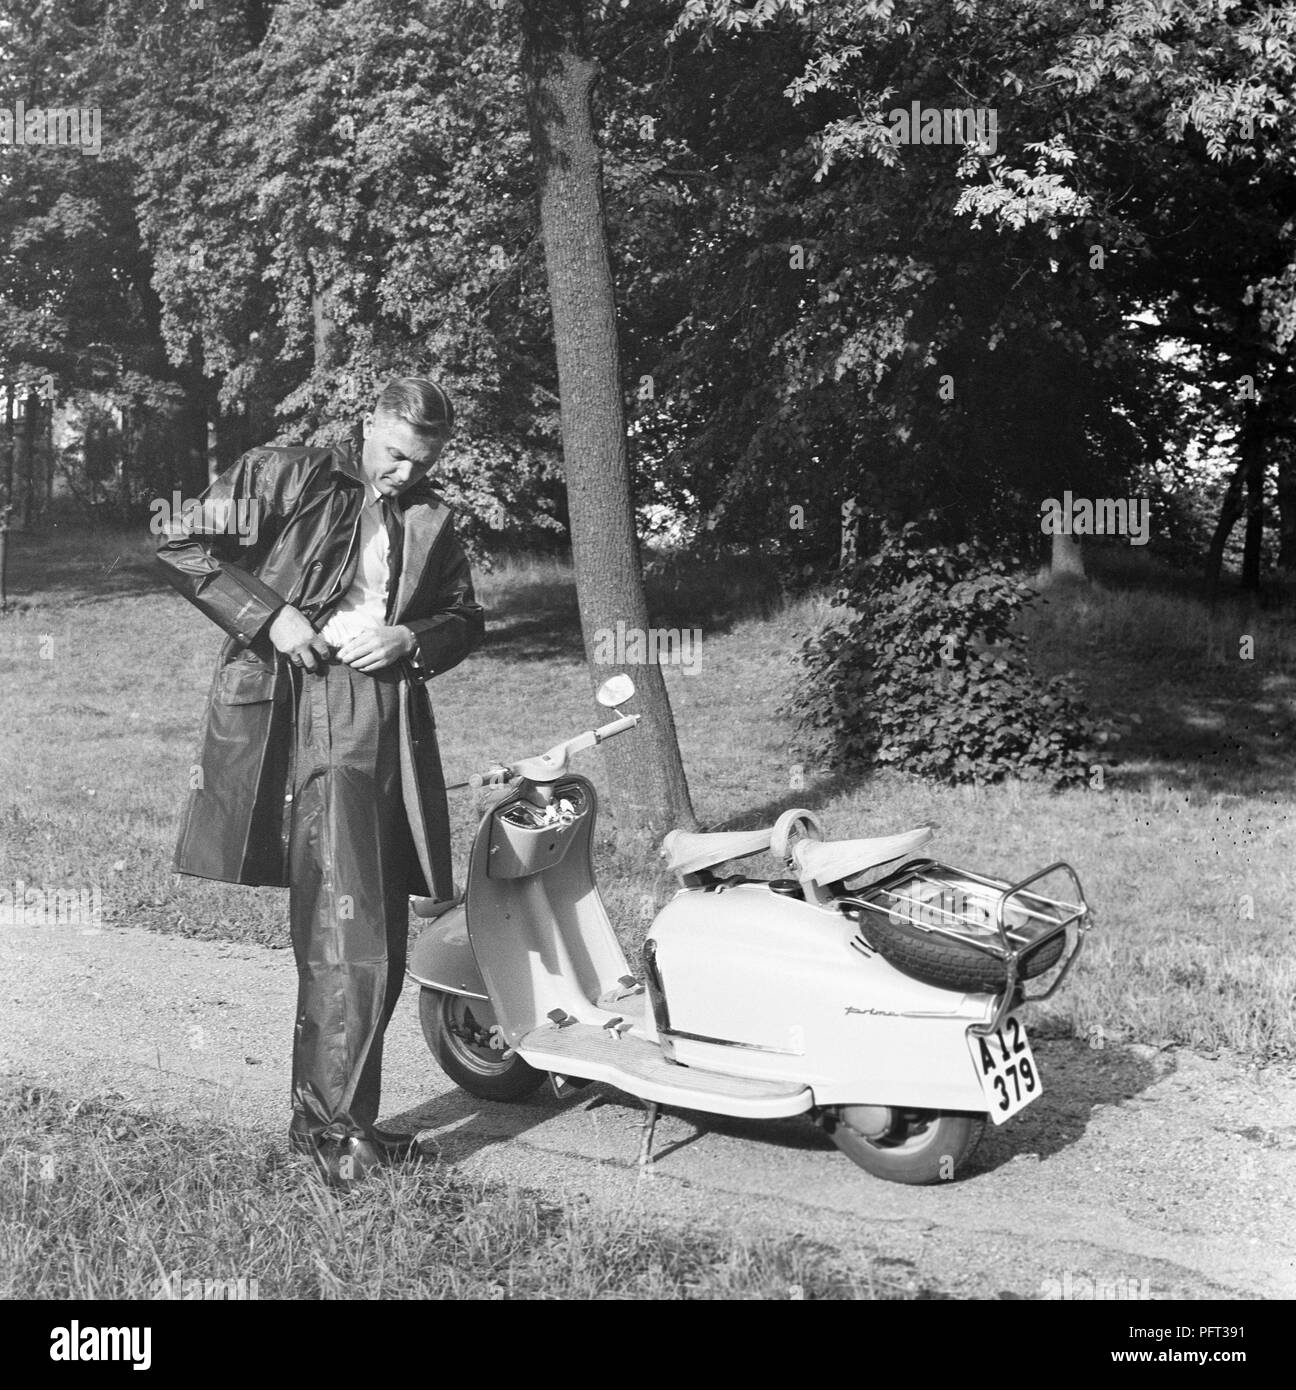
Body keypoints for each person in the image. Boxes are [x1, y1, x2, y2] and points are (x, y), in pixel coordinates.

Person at [157, 377, 484, 1186]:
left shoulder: (434, 517)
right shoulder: (284, 473)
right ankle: (336, 1135)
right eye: (395, 454)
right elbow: (178, 541)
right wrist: (270, 614)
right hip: (307, 701)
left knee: (377, 919)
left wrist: (412, 635)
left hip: (391, 715)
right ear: (368, 423)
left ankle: (334, 1120)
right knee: (351, 919)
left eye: (424, 462)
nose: (404, 474)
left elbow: (466, 618)